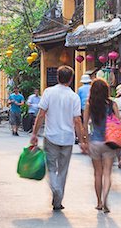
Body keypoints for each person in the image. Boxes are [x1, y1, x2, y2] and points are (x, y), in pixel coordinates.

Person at [30, 66, 87, 211]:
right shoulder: (73, 96)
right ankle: (58, 200)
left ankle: (56, 190)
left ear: (57, 77)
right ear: (71, 79)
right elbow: (77, 120)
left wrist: (34, 134)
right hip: (67, 138)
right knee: (63, 170)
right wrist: (81, 140)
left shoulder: (49, 92)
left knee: (51, 167)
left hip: (51, 137)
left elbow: (41, 114)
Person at [83, 78, 120, 213]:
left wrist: (85, 141)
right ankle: (105, 199)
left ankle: (98, 202)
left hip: (95, 142)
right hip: (109, 142)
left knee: (97, 174)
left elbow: (85, 125)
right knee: (107, 174)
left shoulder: (89, 105)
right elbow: (118, 123)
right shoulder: (112, 104)